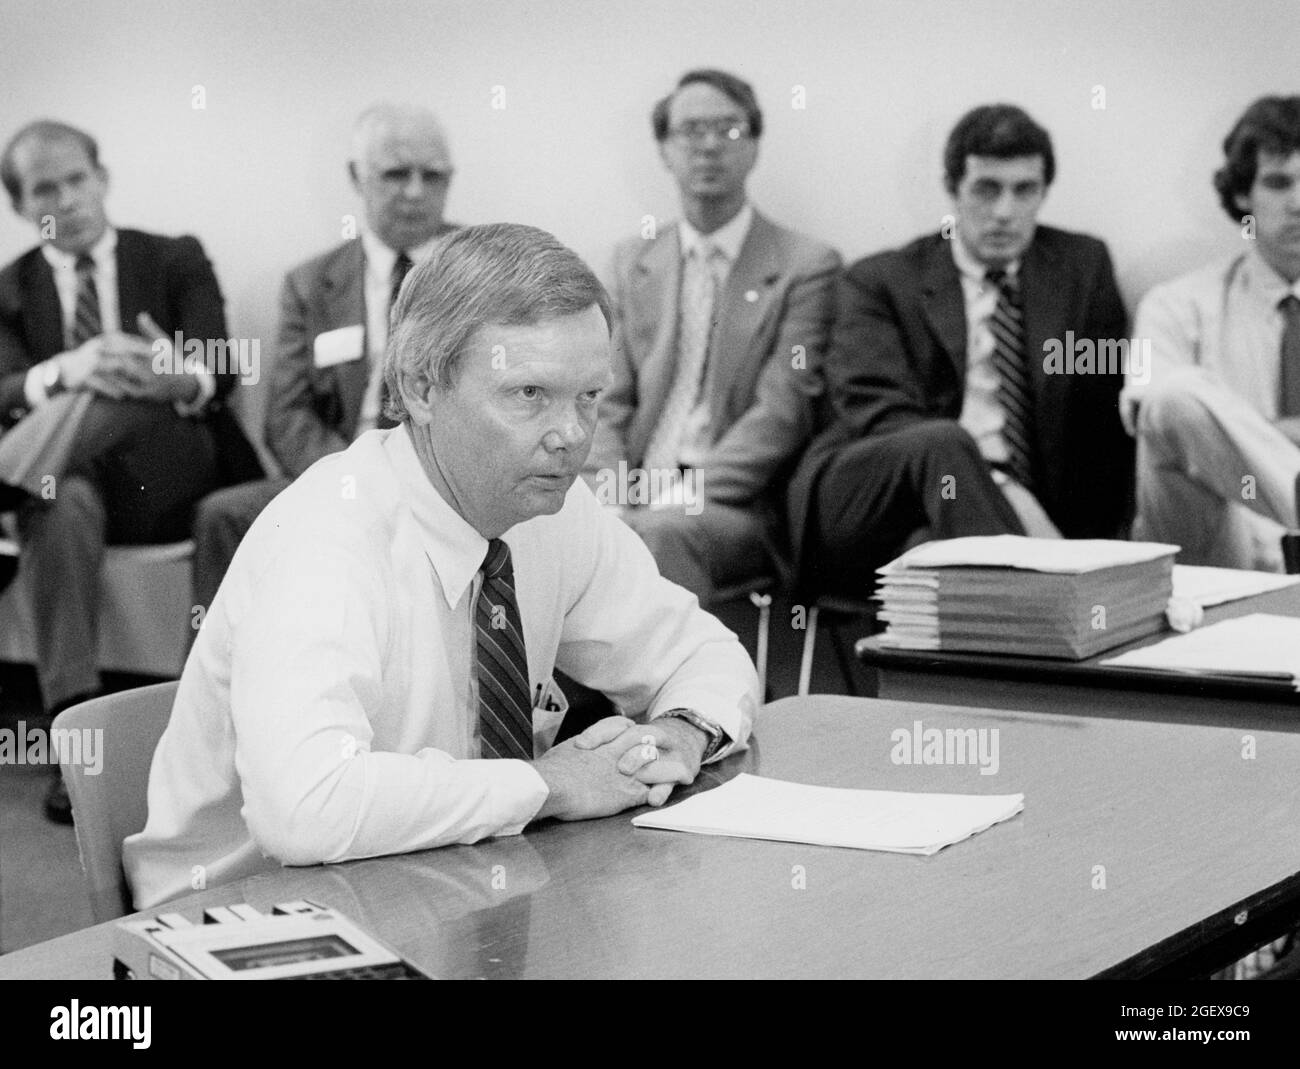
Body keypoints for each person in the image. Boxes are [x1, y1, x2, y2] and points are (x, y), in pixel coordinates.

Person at [123, 223, 758, 909]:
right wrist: (549, 783)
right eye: (529, 394)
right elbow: (306, 807)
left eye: (589, 396)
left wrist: (682, 730)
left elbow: (700, 651)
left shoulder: (552, 509)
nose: (571, 436)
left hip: (443, 884)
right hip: (247, 918)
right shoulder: (327, 537)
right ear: (423, 387)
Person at [0, 120, 260, 822]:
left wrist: (166, 375)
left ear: (103, 178)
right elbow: (4, 391)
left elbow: (221, 371)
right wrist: (69, 369)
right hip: (73, 480)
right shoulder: (9, 289)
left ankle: (7, 477)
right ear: (21, 207)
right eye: (46, 188)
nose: (70, 198)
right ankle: (81, 738)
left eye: (78, 179)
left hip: (173, 465)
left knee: (118, 384)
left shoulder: (174, 257)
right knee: (57, 501)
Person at [788, 103, 1132, 598]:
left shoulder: (1081, 269)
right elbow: (875, 409)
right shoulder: (880, 281)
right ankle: (1050, 606)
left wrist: (1102, 544)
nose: (1004, 212)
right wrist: (998, 485)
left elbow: (1102, 419)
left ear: (1043, 193)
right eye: (986, 189)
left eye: (1024, 190)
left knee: (937, 557)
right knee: (944, 443)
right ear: (953, 190)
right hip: (870, 494)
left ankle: (1012, 643)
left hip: (978, 519)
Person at [191, 101, 457, 614]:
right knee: (224, 515)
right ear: (357, 177)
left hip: (445, 477)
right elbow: (287, 416)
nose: (416, 192)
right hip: (339, 466)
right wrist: (353, 481)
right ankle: (214, 689)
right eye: (396, 173)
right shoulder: (311, 284)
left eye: (434, 175)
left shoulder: (485, 266)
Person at [585, 69, 839, 600]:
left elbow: (783, 412)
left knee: (657, 534)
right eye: (690, 131)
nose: (707, 147)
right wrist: (607, 497)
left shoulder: (806, 266)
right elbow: (604, 401)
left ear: (754, 145)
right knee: (551, 527)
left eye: (726, 130)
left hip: (734, 505)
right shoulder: (631, 263)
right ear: (664, 150)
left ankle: (685, 684)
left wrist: (681, 497)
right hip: (632, 490)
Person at [1123, 95, 1300, 570]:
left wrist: (1247, 429)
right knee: (1171, 398)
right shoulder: (1175, 305)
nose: (1299, 203)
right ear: (1243, 195)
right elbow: (1154, 414)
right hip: (1223, 549)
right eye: (1280, 183)